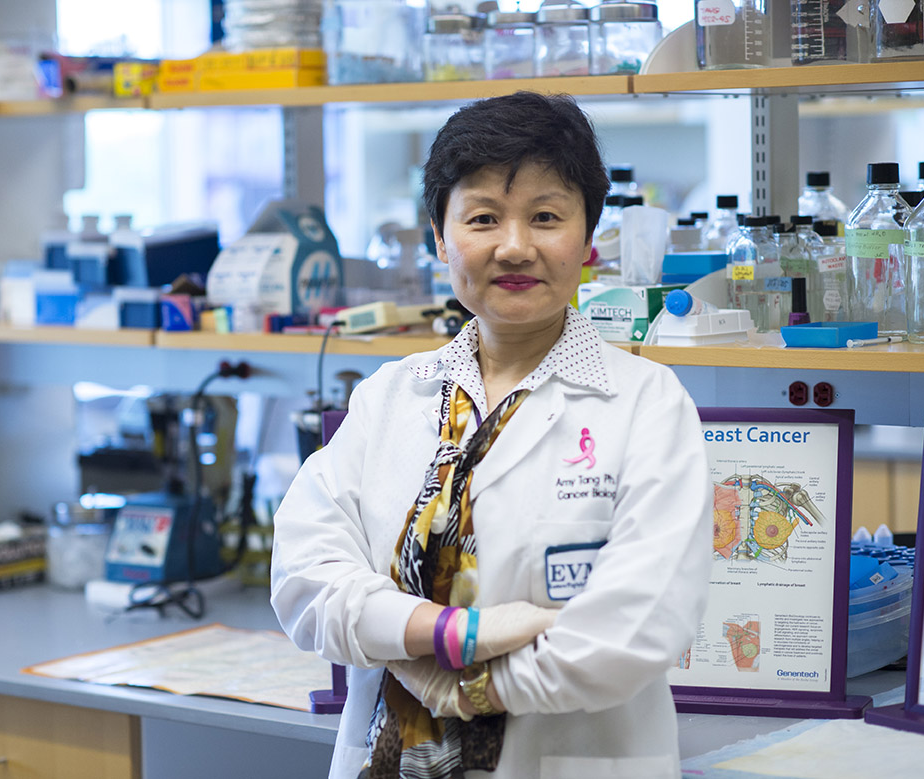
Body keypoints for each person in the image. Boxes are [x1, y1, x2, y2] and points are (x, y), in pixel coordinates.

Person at [270, 92, 712, 779]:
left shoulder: (645, 405)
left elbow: (636, 626)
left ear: (588, 236)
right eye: (481, 218)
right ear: (440, 238)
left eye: (545, 216)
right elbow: (305, 578)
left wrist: (471, 686)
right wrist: (453, 633)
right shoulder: (390, 397)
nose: (514, 246)